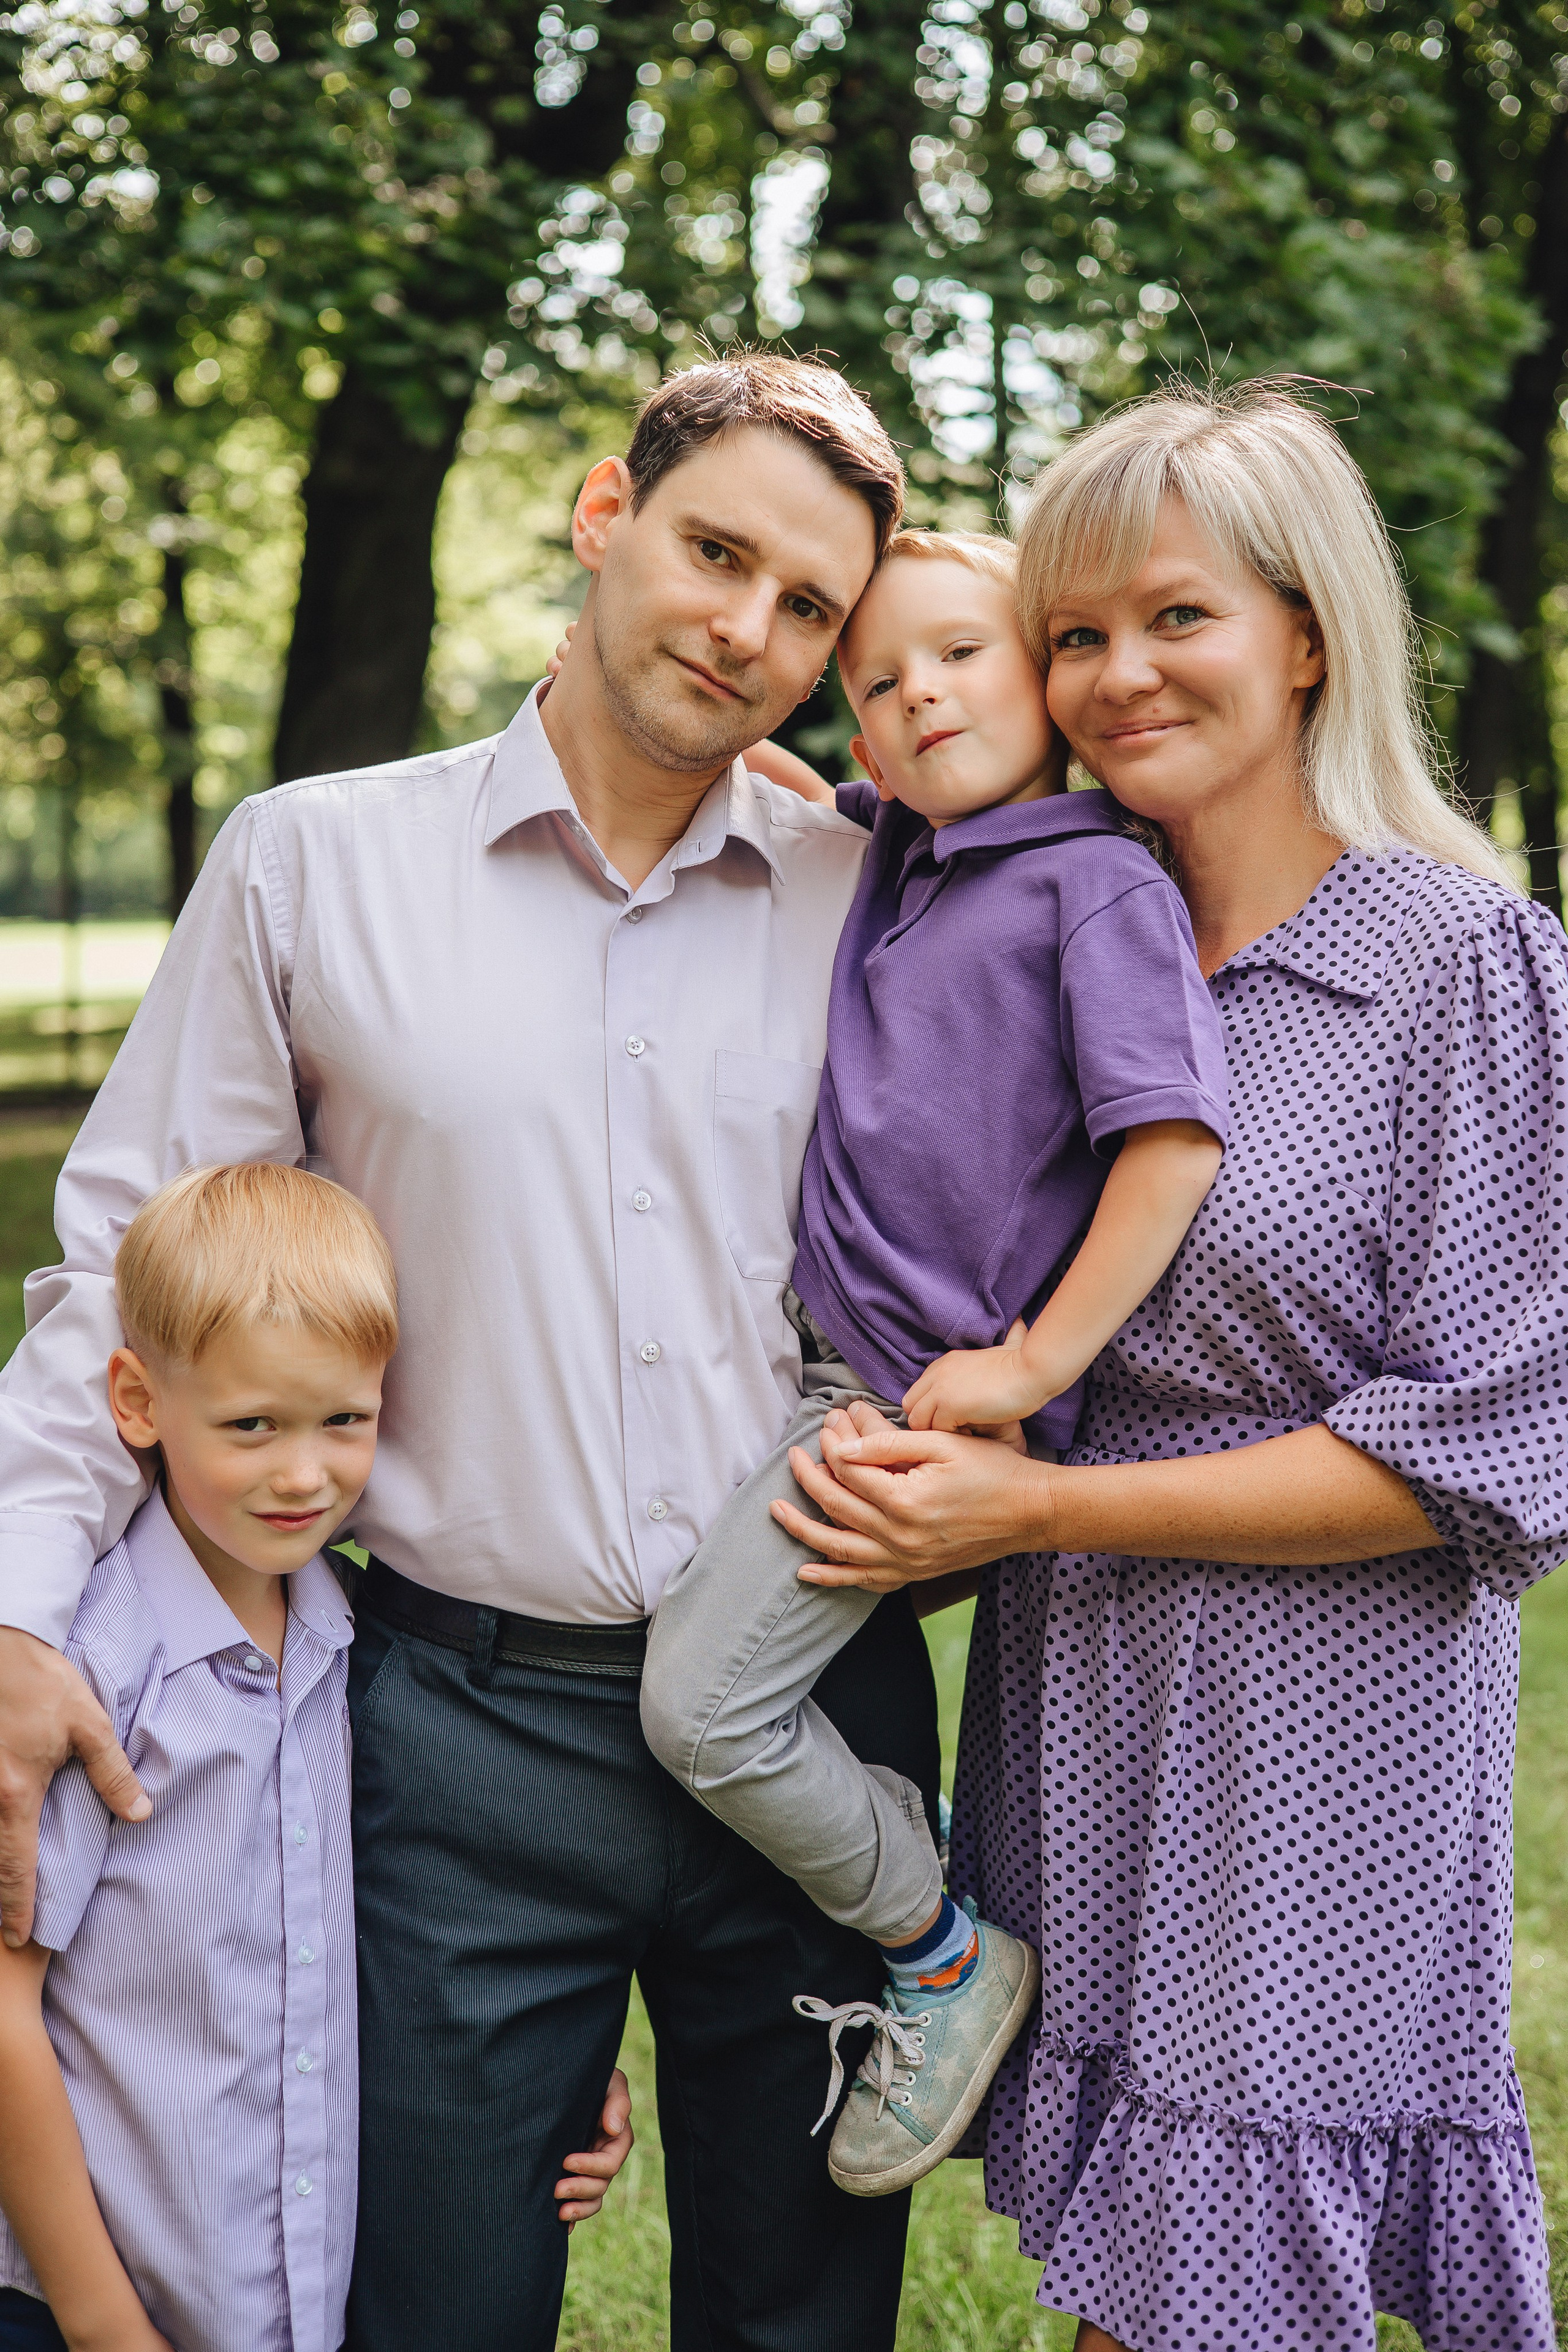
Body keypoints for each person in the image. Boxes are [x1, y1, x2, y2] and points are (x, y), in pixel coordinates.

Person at [0, 353, 933, 2352]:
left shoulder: (881, 899)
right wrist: (17, 1612)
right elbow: (121, 1274)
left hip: (814, 1697)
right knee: (432, 2308)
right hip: (452, 1728)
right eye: (715, 554)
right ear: (605, 515)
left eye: (808, 611)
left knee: (808, 2318)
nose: (748, 631)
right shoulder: (311, 861)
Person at [766, 383, 1566, 2352]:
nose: (1119, 675)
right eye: (1074, 633)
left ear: (1307, 634)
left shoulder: (1458, 965)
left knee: (1231, 2275)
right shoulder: (1046, 917)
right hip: (1089, 1691)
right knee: (1134, 2284)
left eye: (1177, 618)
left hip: (1322, 1721)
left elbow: (1479, 1452)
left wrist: (1036, 1499)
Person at [639, 529, 1228, 2198]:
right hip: (807, 1359)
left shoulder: (1095, 880)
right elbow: (799, 774)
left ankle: (947, 1952)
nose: (920, 697)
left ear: (1044, 674)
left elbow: (1172, 1146)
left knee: (701, 1707)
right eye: (883, 684)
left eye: (962, 654)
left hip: (903, 1399)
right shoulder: (908, 840)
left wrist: (1032, 1359)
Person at [0, 1165, 631, 2352]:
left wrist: (541, 2077)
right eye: (252, 1426)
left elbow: (363, 1940)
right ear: (135, 1401)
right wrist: (101, 2324)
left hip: (286, 2298)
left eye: (343, 1420)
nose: (304, 1474)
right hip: (93, 2302)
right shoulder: (94, 1671)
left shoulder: (346, 1641)